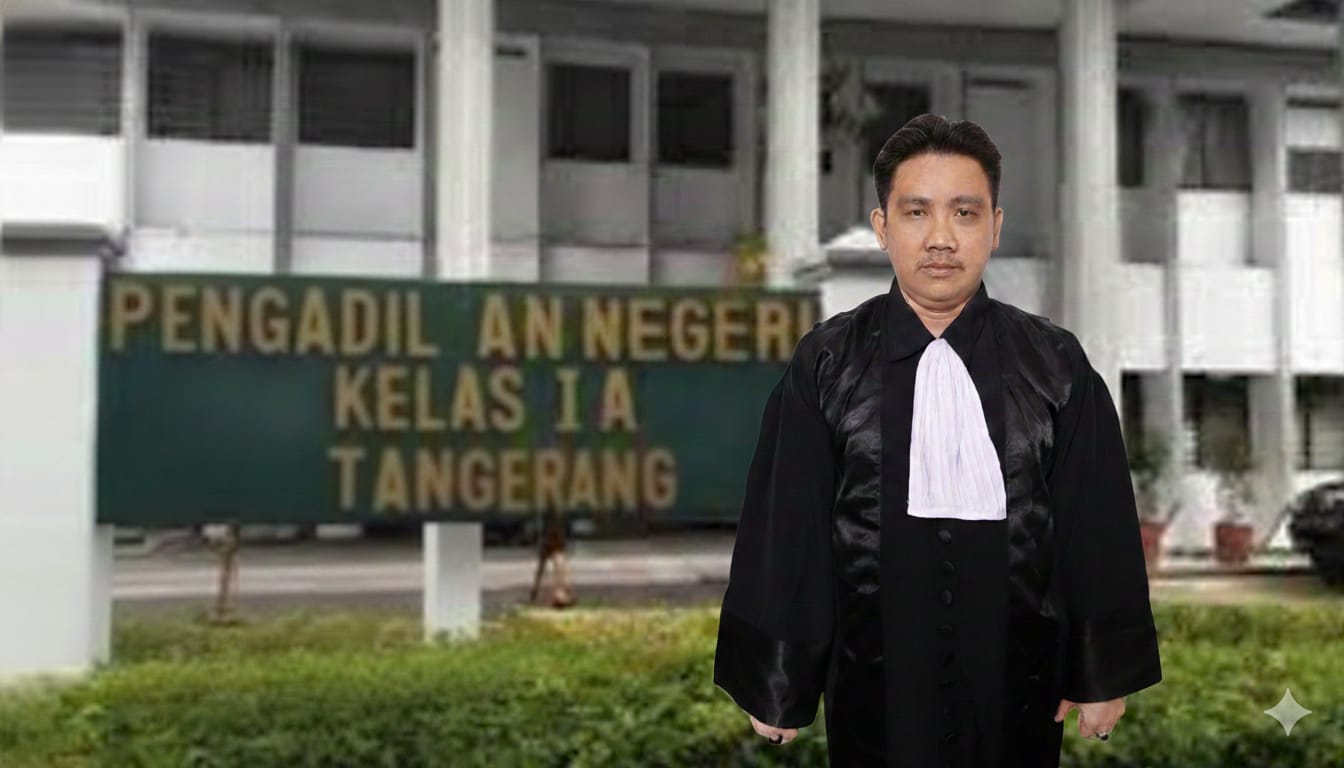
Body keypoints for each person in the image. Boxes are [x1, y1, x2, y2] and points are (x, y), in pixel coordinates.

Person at [712, 113, 1162, 767]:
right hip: (871, 686)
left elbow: (1095, 522)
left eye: (965, 213)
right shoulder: (828, 362)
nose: (941, 238)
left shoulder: (1055, 362)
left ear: (995, 227)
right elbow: (788, 525)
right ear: (882, 227)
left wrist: (1099, 670)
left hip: (1019, 686)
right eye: (917, 212)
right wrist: (778, 678)